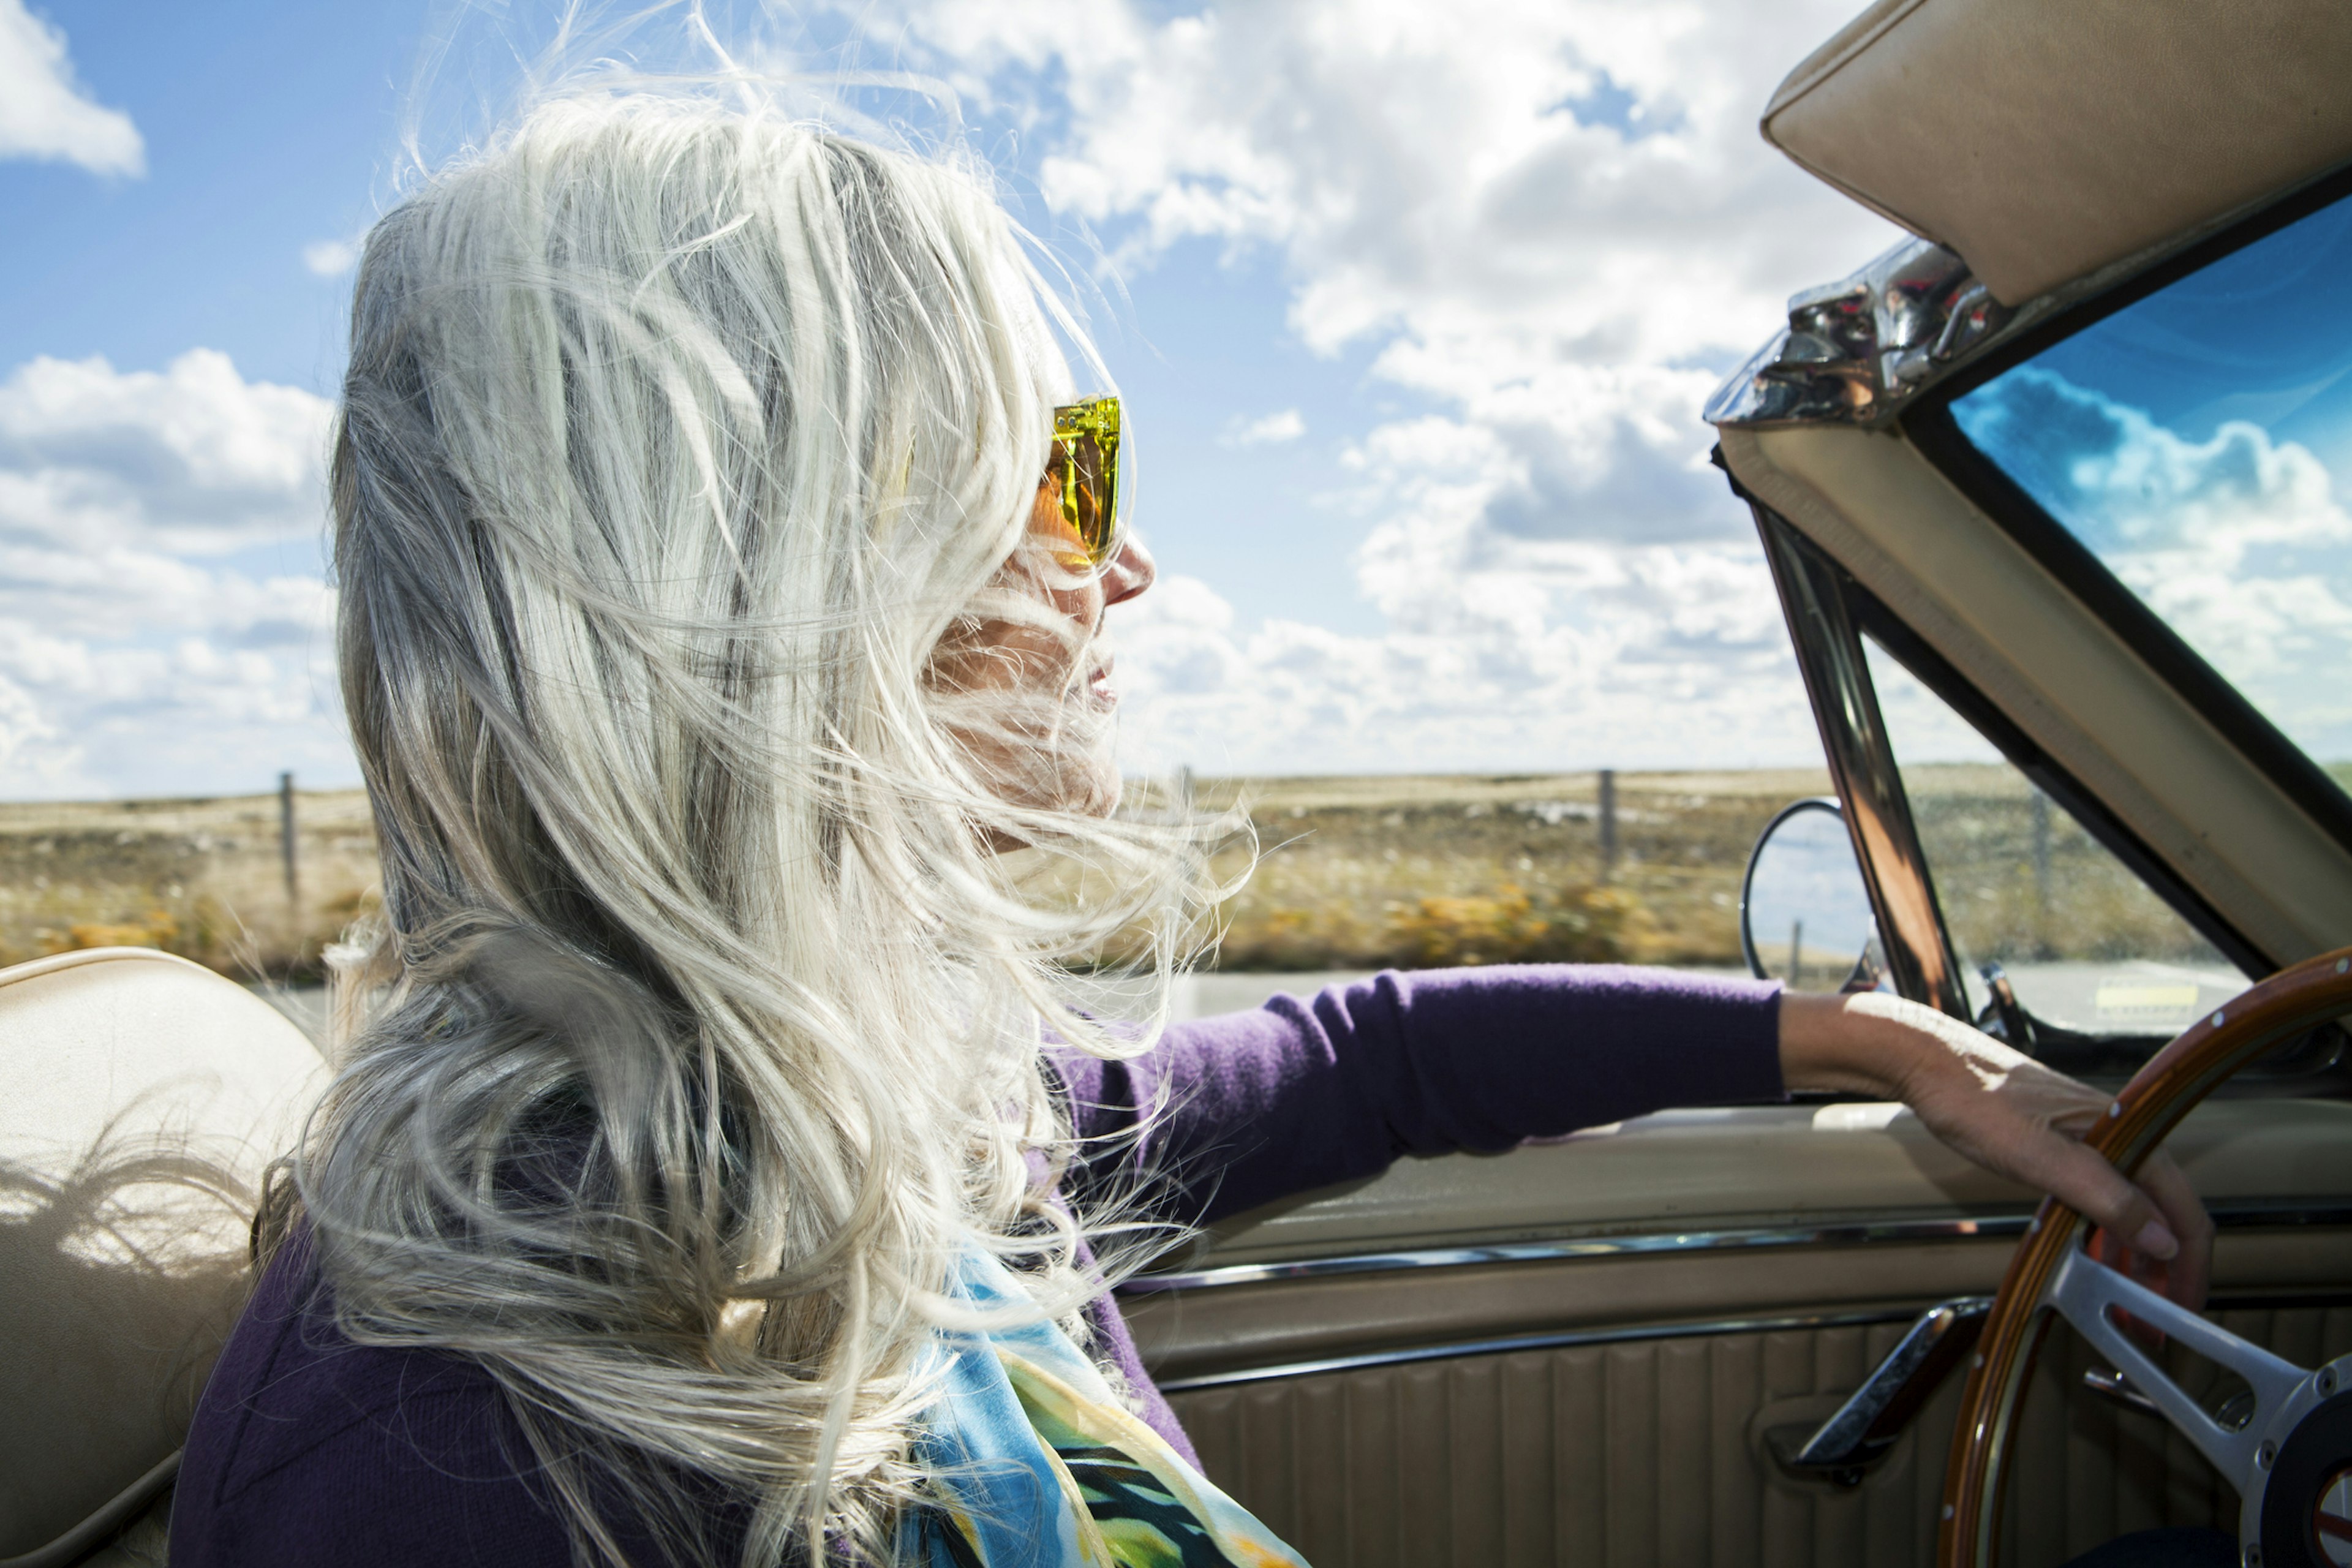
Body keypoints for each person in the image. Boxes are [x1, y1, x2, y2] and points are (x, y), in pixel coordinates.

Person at [170, 85, 2221, 1568]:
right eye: (1053, 476)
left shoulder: (847, 1127)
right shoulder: (434, 1465)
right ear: (779, 567)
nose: (1122, 559)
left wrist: (1859, 1040)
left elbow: (1369, 1054)